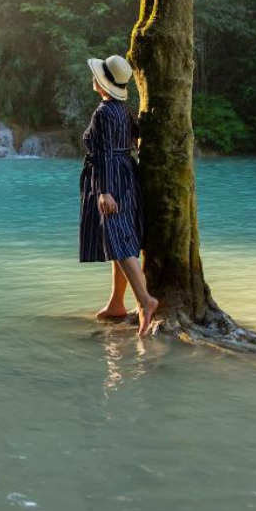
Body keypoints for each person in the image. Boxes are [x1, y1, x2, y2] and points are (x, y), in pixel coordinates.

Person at [79, 54, 159, 335]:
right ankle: (116, 303)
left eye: (97, 74)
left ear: (103, 84)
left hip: (112, 180)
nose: (93, 77)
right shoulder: (123, 111)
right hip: (127, 174)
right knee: (120, 238)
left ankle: (145, 301)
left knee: (119, 238)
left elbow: (102, 154)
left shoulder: (102, 112)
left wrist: (104, 191)